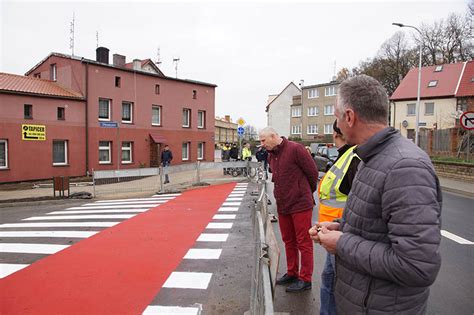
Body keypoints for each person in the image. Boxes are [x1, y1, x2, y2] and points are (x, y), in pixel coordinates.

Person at [309, 75, 442, 314]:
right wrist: (339, 227)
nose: (337, 123)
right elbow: (376, 225)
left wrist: (342, 243)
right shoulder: (370, 157)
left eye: (337, 116)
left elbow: (416, 266)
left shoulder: (404, 167)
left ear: (349, 117)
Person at [259, 127, 318, 293]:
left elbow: (312, 173)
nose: (262, 144)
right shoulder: (272, 155)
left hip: (300, 204)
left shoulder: (295, 149)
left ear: (274, 136)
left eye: (263, 140)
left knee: (303, 242)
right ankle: (292, 272)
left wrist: (304, 191)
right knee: (288, 240)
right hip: (283, 204)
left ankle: (305, 279)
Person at [317, 120, 360, 315]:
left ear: (337, 134)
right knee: (329, 279)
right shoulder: (345, 156)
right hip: (335, 227)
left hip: (343, 233)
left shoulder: (354, 156)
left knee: (335, 282)